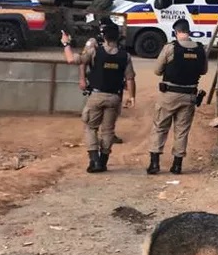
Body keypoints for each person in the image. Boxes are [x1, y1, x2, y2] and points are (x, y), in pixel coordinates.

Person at [61, 23, 136, 173]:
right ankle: (103, 162)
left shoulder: (95, 52)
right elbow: (130, 78)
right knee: (108, 131)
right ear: (119, 37)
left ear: (103, 37)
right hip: (115, 97)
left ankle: (94, 160)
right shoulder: (125, 56)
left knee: (90, 127)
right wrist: (132, 96)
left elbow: (71, 60)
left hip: (96, 95)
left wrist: (66, 43)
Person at [146, 18, 207, 175]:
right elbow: (203, 71)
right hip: (189, 96)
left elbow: (157, 71)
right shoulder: (200, 49)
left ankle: (154, 164)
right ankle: (177, 165)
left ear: (176, 32)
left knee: (160, 127)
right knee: (182, 131)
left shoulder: (170, 48)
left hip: (169, 94)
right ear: (188, 31)